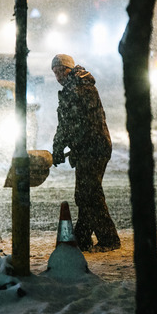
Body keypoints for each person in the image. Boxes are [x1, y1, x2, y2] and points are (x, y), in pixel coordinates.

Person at [51, 54, 121, 252]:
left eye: (59, 71)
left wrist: (63, 147)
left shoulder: (80, 89)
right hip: (88, 148)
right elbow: (67, 125)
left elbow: (72, 124)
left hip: (94, 148)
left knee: (89, 194)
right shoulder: (74, 88)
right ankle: (82, 239)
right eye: (54, 72)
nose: (57, 76)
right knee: (86, 194)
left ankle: (108, 239)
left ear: (68, 69)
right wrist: (60, 147)